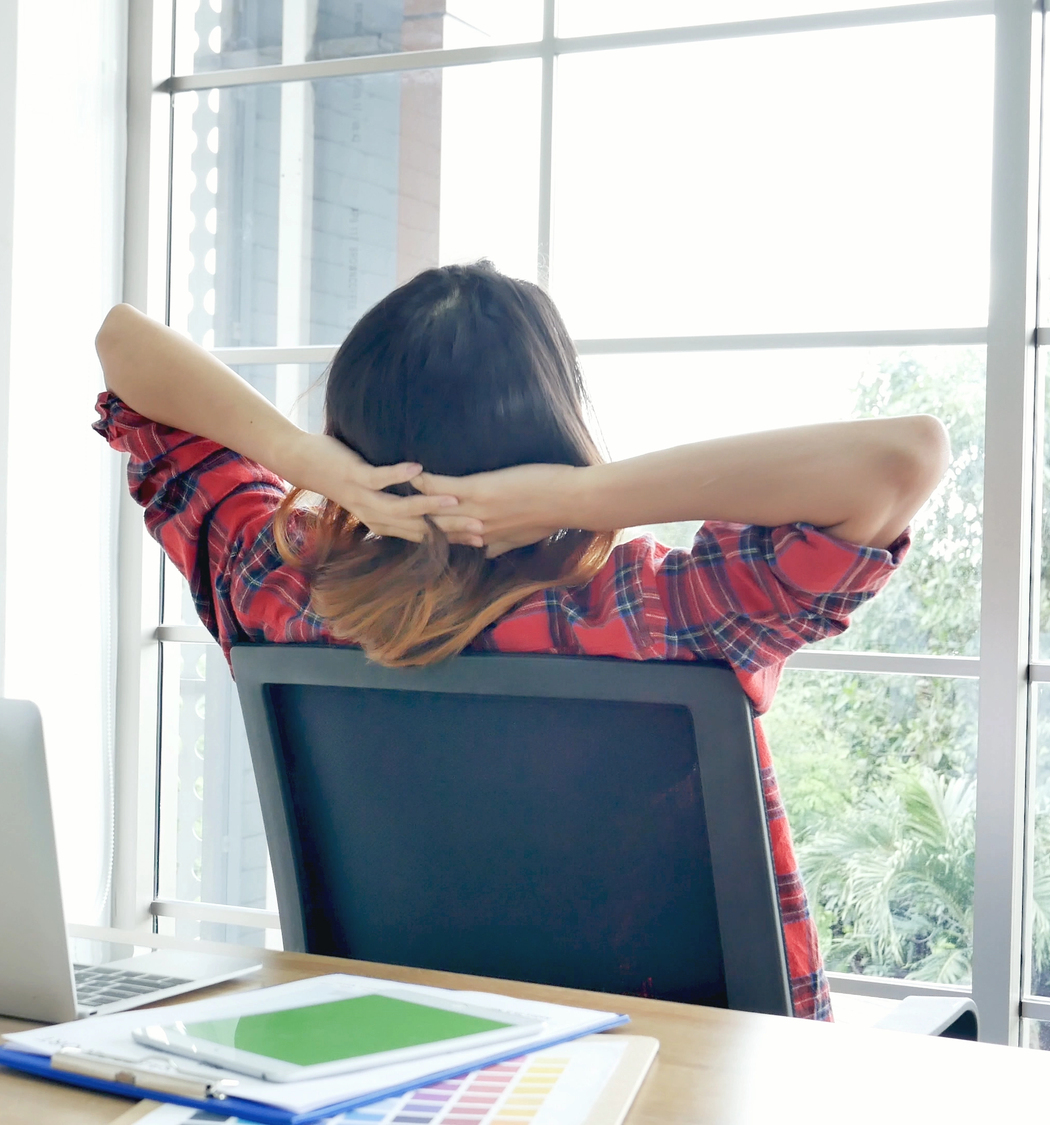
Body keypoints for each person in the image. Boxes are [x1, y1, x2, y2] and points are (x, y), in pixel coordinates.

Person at [94, 261, 949, 1020]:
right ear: (555, 425)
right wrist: (587, 496)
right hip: (693, 1084)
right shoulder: (661, 612)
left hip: (416, 1068)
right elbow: (905, 458)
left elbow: (122, 344)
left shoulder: (279, 593)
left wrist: (306, 461)